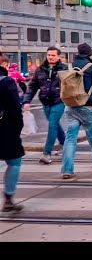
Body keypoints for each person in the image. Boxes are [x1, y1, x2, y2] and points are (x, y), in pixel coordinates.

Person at [61, 44, 92, 181]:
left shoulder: (69, 66)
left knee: (70, 138)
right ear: (90, 55)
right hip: (88, 107)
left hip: (70, 106)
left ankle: (67, 169)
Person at [23, 46, 68, 164]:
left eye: (53, 55)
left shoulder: (64, 69)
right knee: (55, 125)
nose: (51, 57)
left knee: (52, 126)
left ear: (58, 56)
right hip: (46, 102)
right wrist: (26, 101)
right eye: (49, 55)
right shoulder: (40, 69)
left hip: (59, 101)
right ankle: (65, 144)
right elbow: (32, 86)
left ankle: (47, 153)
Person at [0, 55, 25, 212]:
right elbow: (16, 107)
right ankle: (9, 197)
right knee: (14, 161)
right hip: (5, 127)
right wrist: (18, 127)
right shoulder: (6, 82)